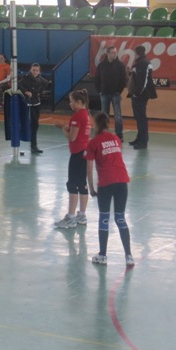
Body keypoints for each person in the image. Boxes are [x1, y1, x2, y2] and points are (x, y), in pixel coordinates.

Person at [85, 112, 134, 267]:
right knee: (120, 218)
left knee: (104, 218)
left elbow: (89, 167)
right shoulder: (116, 139)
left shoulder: (93, 142)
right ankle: (129, 256)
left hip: (106, 183)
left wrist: (91, 188)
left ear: (96, 124)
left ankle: (103, 255)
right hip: (122, 180)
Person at [53, 89, 92, 228]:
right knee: (82, 183)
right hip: (85, 152)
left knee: (73, 184)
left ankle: (70, 217)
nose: (70, 104)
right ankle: (82, 215)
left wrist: (63, 128)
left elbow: (72, 137)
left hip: (78, 153)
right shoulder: (86, 114)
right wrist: (65, 126)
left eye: (72, 102)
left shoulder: (77, 116)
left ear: (79, 102)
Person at [94, 45, 127, 140]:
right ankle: (104, 134)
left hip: (116, 94)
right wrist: (99, 90)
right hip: (104, 93)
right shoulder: (101, 65)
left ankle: (119, 135)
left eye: (115, 52)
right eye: (112, 53)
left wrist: (119, 90)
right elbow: (97, 79)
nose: (114, 54)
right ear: (108, 53)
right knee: (104, 115)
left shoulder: (120, 65)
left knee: (118, 115)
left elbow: (124, 79)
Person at [128, 45, 157, 150]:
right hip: (137, 94)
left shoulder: (143, 63)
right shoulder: (140, 63)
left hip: (140, 95)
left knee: (141, 118)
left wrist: (137, 93)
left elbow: (144, 80)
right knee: (138, 118)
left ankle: (143, 142)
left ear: (136, 53)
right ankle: (139, 138)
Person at [18, 63, 50, 154]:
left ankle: (33, 144)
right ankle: (32, 144)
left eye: (37, 70)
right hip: (28, 103)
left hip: (36, 102)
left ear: (39, 71)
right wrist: (26, 91)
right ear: (30, 70)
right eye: (33, 70)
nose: (35, 72)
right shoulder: (26, 78)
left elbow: (46, 83)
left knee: (35, 124)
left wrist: (39, 92)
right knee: (32, 123)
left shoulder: (41, 80)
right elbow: (19, 85)